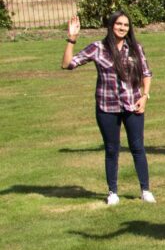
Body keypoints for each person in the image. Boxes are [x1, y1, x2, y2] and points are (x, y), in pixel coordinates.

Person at [61, 12, 154, 205]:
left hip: (133, 104)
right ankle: (112, 192)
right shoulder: (98, 48)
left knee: (138, 147)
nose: (122, 28)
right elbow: (68, 64)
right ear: (111, 25)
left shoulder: (136, 48)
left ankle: (145, 190)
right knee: (112, 149)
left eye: (126, 25)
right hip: (106, 107)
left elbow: (146, 73)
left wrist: (144, 97)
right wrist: (72, 39)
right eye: (118, 24)